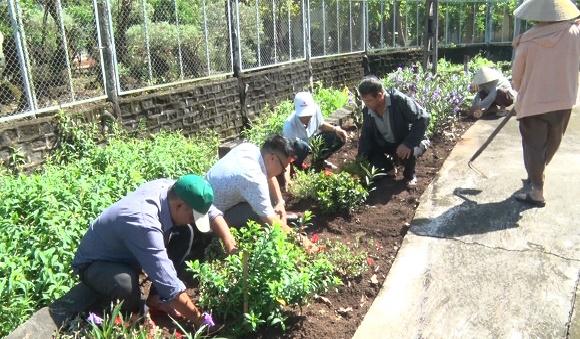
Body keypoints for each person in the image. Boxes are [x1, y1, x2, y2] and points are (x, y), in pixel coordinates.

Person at [72, 174, 234, 328]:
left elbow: (209, 210)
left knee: (185, 232)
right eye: (192, 217)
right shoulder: (144, 223)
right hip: (98, 263)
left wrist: (230, 244)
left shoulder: (173, 190)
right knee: (126, 287)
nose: (193, 221)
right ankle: (132, 314)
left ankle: (156, 299)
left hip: (127, 251)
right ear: (179, 205)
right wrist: (200, 320)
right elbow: (170, 285)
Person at [511, 0, 580, 207]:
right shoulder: (574, 35)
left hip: (534, 102)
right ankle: (537, 174)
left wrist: (520, 90)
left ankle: (537, 191)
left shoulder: (527, 40)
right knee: (552, 142)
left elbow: (517, 76)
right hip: (563, 100)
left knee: (533, 146)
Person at [205, 134, 315, 249]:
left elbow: (268, 175)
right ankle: (257, 242)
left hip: (203, 203)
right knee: (261, 210)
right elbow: (268, 218)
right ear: (273, 158)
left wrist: (280, 202)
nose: (282, 171)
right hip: (209, 222)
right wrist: (303, 242)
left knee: (270, 200)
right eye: (283, 168)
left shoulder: (249, 149)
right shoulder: (253, 177)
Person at [357, 75, 431, 188]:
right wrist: (359, 162)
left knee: (405, 151)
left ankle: (410, 175)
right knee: (370, 152)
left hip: (411, 141)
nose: (366, 104)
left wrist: (409, 143)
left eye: (368, 101)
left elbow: (423, 118)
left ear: (380, 96)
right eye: (364, 101)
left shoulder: (398, 100)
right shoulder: (368, 110)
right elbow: (366, 137)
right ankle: (389, 168)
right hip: (387, 144)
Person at [282, 91, 348, 174]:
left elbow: (321, 125)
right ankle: (297, 168)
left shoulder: (316, 110)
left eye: (309, 114)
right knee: (301, 146)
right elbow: (287, 151)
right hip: (298, 151)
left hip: (312, 143)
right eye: (303, 116)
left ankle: (318, 161)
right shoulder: (289, 124)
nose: (306, 118)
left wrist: (335, 129)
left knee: (337, 137)